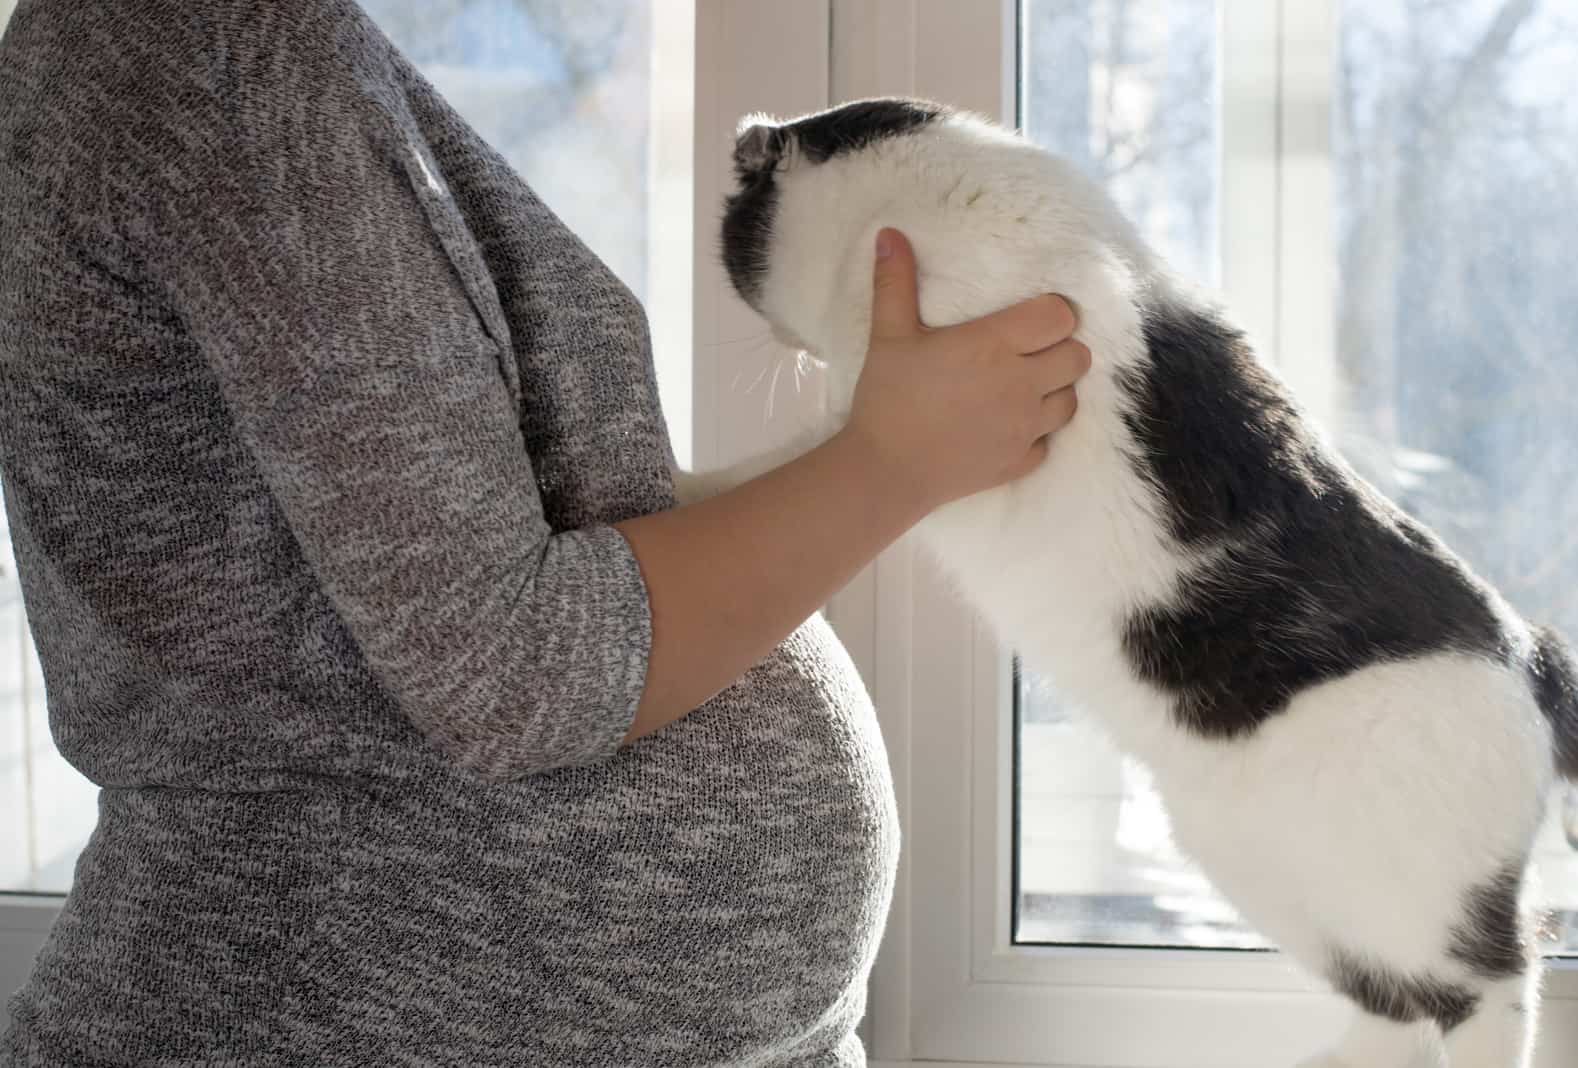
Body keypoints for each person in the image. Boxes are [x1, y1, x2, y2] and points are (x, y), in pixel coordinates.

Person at [0, 1, 1089, 1064]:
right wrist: (886, 465)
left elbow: (524, 539)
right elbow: (511, 674)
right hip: (335, 1014)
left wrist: (890, 440)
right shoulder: (209, 46)